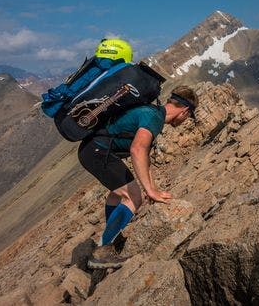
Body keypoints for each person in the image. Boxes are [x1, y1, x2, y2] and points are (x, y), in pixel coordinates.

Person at [79, 83, 198, 269]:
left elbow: (145, 160)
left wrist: (153, 189)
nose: (186, 120)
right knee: (134, 196)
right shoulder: (154, 118)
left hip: (94, 149)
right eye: (190, 116)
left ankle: (111, 239)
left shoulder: (152, 112)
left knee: (117, 193)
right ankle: (102, 251)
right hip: (97, 152)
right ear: (185, 111)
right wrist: (149, 191)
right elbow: (137, 149)